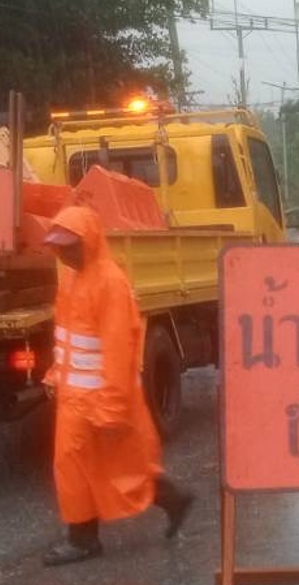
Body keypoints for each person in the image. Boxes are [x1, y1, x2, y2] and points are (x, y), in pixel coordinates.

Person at [39, 204, 193, 566]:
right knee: (77, 466)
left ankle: (85, 539)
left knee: (118, 466)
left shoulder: (109, 283)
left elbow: (118, 349)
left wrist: (110, 408)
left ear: (89, 241)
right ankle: (85, 535)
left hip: (97, 397)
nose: (63, 253)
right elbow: (68, 338)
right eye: (59, 246)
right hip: (77, 398)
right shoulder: (73, 279)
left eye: (69, 245)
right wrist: (55, 374)